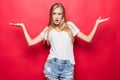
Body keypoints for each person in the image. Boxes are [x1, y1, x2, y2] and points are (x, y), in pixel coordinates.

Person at [10, 3, 109, 80]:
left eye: (59, 13)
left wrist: (96, 24)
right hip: (52, 65)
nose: (56, 16)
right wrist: (23, 26)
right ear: (51, 15)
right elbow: (31, 42)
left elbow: (88, 39)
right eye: (54, 13)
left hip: (68, 66)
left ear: (63, 15)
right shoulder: (48, 29)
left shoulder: (70, 26)